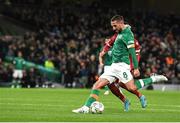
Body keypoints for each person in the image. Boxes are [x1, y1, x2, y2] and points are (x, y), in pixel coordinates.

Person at [72, 15, 168, 113]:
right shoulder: (119, 33)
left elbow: (132, 52)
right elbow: (111, 41)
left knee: (131, 87)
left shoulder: (128, 35)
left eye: (115, 26)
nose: (113, 28)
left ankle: (154, 78)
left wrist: (136, 68)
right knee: (97, 85)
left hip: (123, 67)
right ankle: (86, 108)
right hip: (113, 67)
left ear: (121, 23)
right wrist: (104, 50)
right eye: (112, 26)